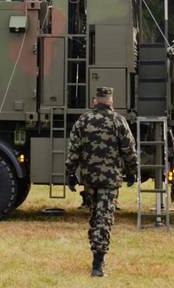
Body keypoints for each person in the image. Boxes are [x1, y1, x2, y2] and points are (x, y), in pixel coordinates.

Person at [65, 86, 137, 278]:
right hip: (110, 179)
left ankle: (96, 254)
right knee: (104, 218)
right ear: (111, 101)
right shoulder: (119, 121)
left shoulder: (84, 120)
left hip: (90, 179)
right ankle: (98, 264)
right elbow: (129, 149)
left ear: (95, 101)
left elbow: (74, 149)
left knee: (95, 215)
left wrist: (70, 173)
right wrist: (132, 171)